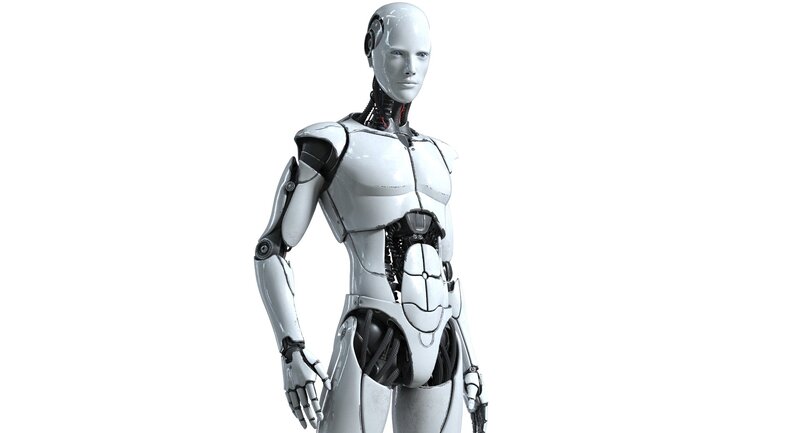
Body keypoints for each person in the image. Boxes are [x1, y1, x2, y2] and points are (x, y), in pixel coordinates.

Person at [254, 3, 487, 432]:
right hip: (373, 331)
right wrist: (291, 350)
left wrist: (471, 363)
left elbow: (449, 271)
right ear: (371, 48)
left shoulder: (439, 156)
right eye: (397, 53)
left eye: (422, 55)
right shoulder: (332, 143)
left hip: (442, 342)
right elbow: (272, 250)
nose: (411, 68)